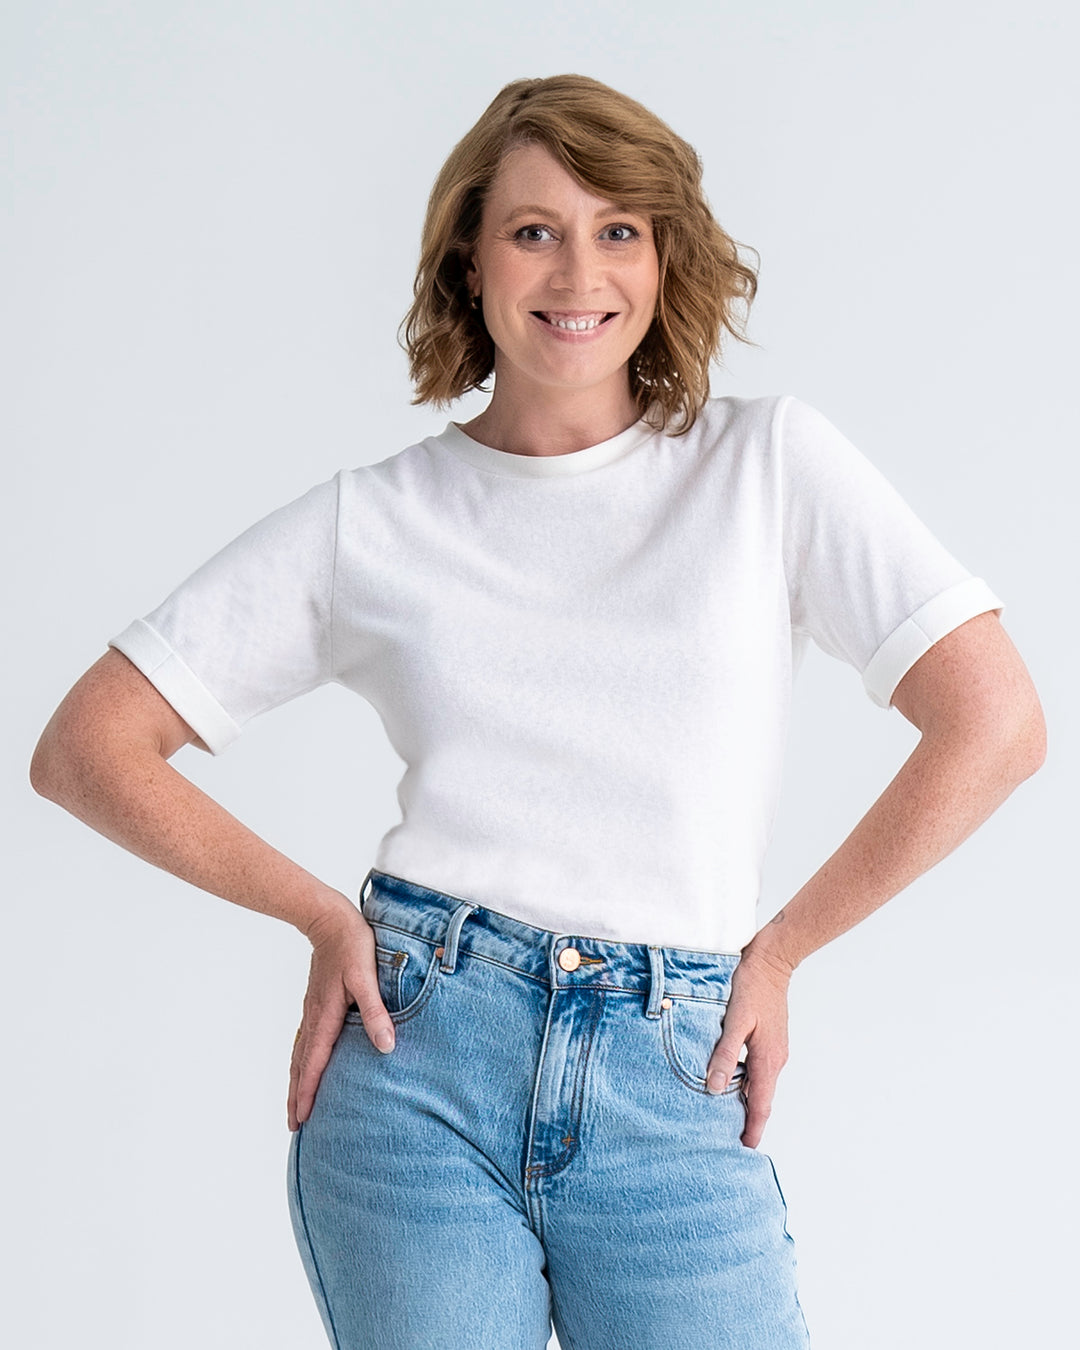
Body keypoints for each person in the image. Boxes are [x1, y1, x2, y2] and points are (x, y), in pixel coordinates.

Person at [30, 72, 1045, 1350]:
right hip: (422, 1067)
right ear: (470, 259)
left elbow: (995, 721)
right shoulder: (376, 521)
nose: (579, 271)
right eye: (533, 230)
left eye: (620, 228)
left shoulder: (768, 467)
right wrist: (315, 913)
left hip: (674, 1069)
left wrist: (779, 950)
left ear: (667, 257)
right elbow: (87, 748)